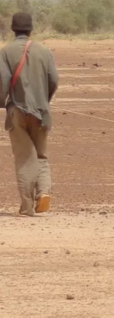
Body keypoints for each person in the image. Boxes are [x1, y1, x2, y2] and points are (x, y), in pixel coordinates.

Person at [1, 12, 58, 216]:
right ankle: (43, 193)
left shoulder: (6, 52)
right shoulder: (44, 51)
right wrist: (43, 101)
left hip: (17, 112)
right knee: (41, 156)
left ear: (13, 30)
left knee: (25, 159)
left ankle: (26, 207)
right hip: (41, 113)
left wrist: (2, 102)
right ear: (31, 29)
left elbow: (3, 82)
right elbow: (54, 80)